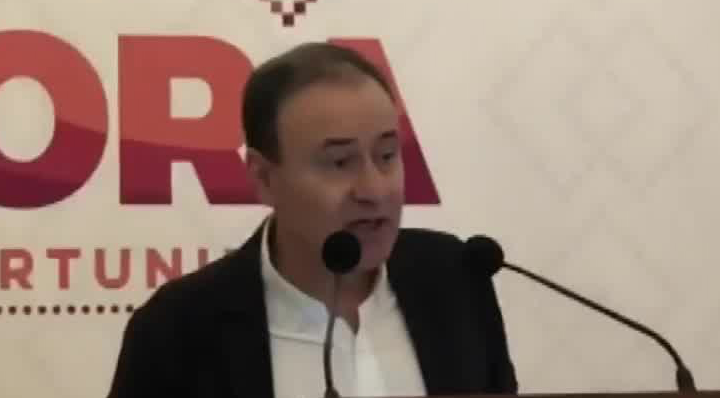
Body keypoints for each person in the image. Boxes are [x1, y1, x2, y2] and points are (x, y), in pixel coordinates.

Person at [106, 42, 518, 397]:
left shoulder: (456, 280)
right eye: (339, 162)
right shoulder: (177, 331)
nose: (374, 190)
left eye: (387, 155)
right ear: (264, 179)